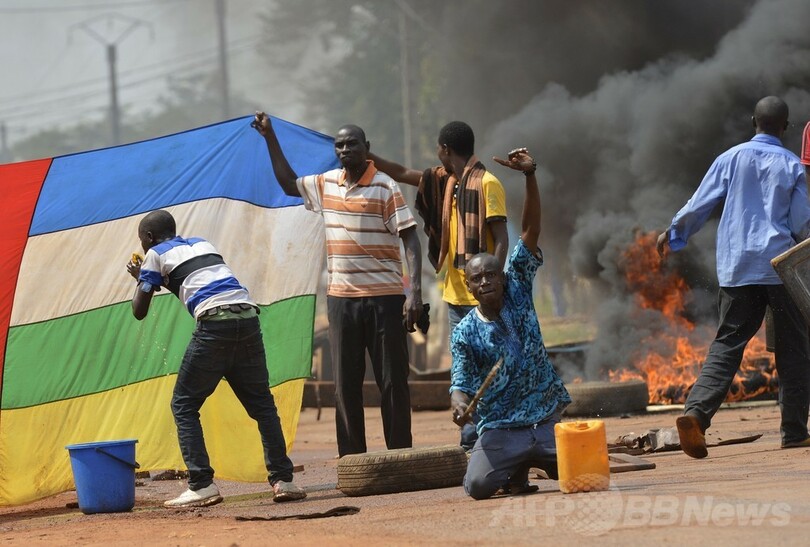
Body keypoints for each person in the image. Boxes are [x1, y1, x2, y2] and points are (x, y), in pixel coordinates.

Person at [252, 112, 424, 457]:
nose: (345, 150)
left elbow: (410, 239)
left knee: (392, 380)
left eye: (352, 144)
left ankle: (402, 455)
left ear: (367, 149)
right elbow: (288, 184)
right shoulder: (326, 183)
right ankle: (352, 459)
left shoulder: (385, 186)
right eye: (340, 145)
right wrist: (270, 137)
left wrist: (414, 293)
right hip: (342, 300)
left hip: (386, 298)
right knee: (346, 383)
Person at [657, 96, 810, 459]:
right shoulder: (791, 164)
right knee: (794, 350)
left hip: (738, 268)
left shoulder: (730, 158)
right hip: (780, 268)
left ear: (752, 122)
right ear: (785, 127)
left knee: (727, 345)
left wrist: (674, 232)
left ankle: (696, 414)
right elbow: (802, 223)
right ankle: (793, 432)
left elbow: (700, 203)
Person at [126, 210, 306, 507]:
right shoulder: (203, 244)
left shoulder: (154, 254)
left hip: (214, 327)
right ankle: (283, 481)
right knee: (262, 406)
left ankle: (201, 484)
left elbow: (139, 310)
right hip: (247, 320)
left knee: (183, 404)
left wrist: (141, 279)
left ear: (147, 238)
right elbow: (196, 285)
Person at [370, 121, 508, 451]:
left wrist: (494, 286)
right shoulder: (444, 182)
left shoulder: (488, 184)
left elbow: (501, 240)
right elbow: (401, 171)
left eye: (437, 148)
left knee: (492, 365)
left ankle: (498, 429)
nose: (436, 154)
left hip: (482, 300)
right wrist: (367, 156)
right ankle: (470, 434)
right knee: (464, 366)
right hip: (455, 296)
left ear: (445, 149)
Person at [449, 147, 571, 500]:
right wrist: (458, 402)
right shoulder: (465, 333)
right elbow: (460, 381)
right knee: (477, 487)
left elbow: (531, 227)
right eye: (478, 278)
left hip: (544, 418)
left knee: (587, 470)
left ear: (502, 278)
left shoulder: (518, 286)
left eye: (491, 274)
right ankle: (516, 466)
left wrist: (530, 175)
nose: (486, 281)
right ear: (469, 287)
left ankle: (538, 459)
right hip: (502, 429)